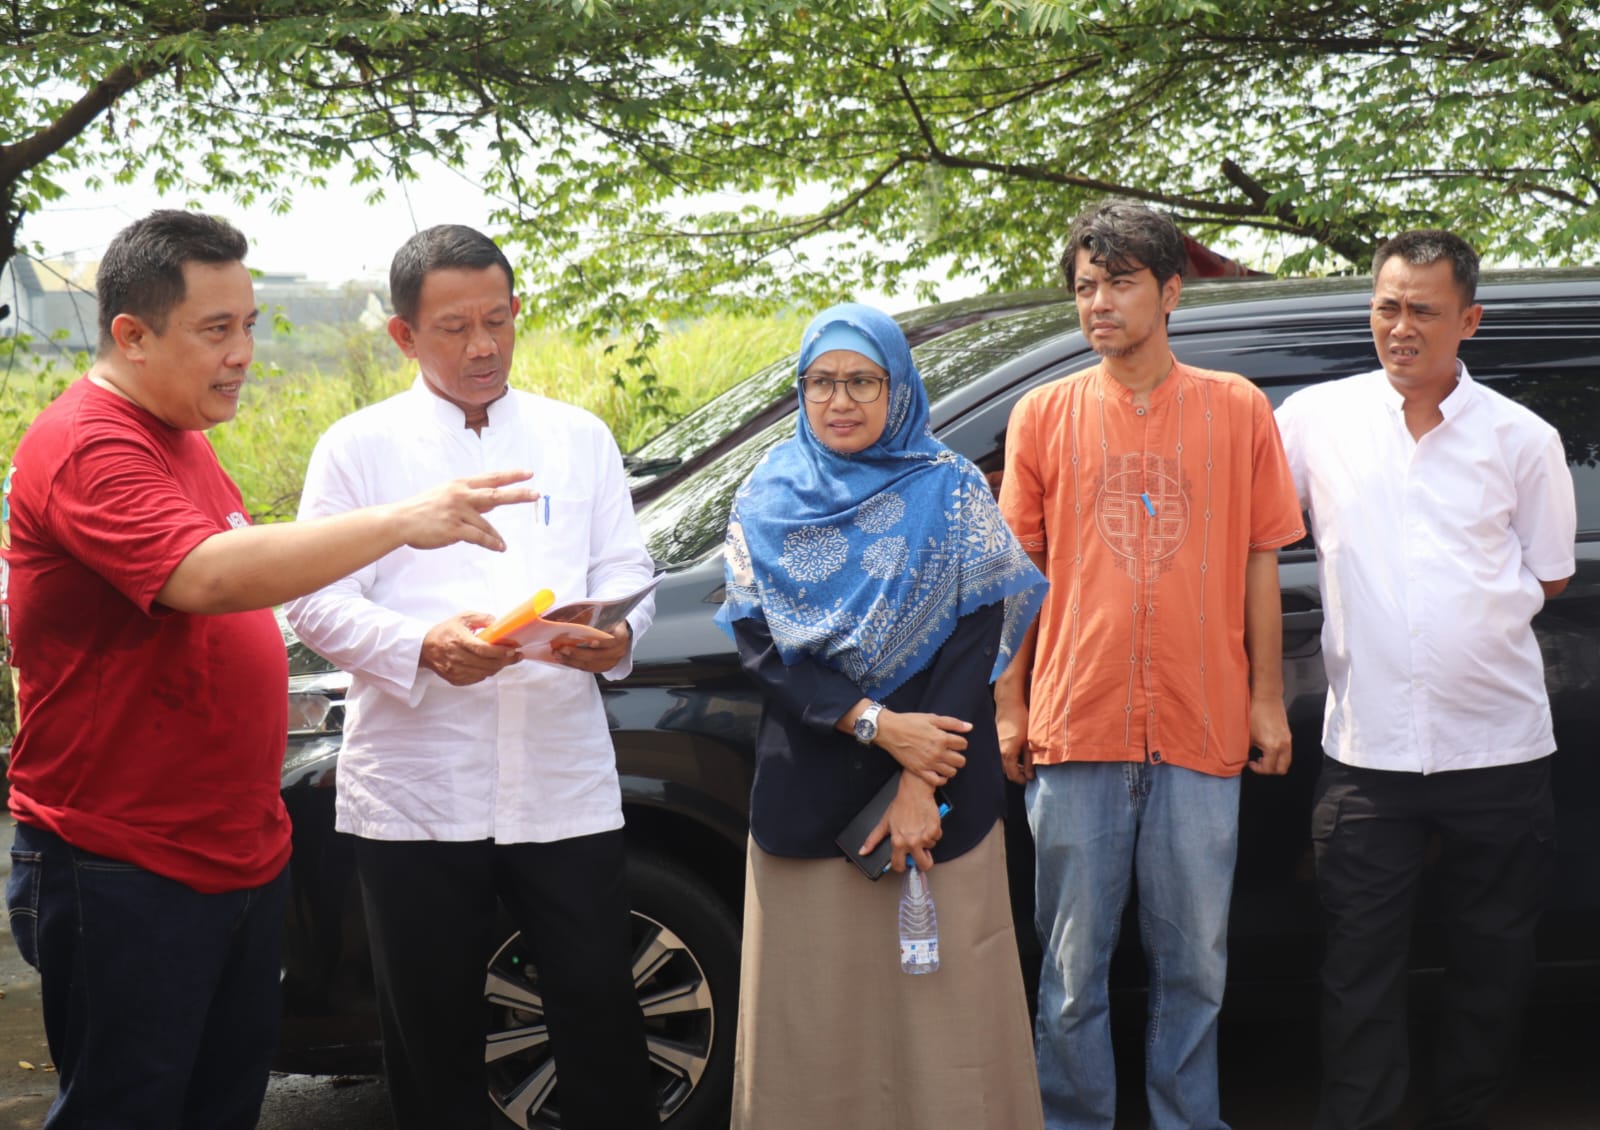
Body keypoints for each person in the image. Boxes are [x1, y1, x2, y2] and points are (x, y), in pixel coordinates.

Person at [0, 209, 536, 1130]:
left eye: (248, 324)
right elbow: (202, 576)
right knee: (126, 1109)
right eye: (217, 329)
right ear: (132, 335)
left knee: (220, 1106)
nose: (245, 351)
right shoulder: (93, 442)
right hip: (127, 861)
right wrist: (403, 520)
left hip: (229, 852)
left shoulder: (182, 435)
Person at [283, 224, 659, 1130]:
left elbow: (624, 574)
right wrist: (422, 646)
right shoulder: (357, 447)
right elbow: (312, 600)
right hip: (420, 782)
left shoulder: (577, 437)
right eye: (454, 327)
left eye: (498, 319)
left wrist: (615, 634)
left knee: (601, 1008)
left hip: (559, 772)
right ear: (404, 337)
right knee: (430, 1031)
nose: (483, 345)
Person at [995, 199, 1305, 1130]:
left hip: (1202, 726)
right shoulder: (1041, 416)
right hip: (1076, 725)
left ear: (1171, 293)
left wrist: (1266, 700)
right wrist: (1009, 703)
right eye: (1086, 286)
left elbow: (1262, 559)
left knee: (1194, 966)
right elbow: (1018, 579)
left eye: (1120, 282)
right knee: (1071, 969)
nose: (1099, 303)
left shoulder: (1237, 408)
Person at [716, 302, 1049, 1130]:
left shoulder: (952, 487)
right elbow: (759, 646)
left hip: (941, 800)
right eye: (822, 381)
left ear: (897, 387)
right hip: (810, 789)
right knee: (815, 1023)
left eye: (862, 380)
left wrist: (917, 778)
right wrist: (870, 720)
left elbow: (976, 640)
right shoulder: (766, 495)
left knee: (948, 1019)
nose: (841, 400)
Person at [1274, 230, 1575, 1130]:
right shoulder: (1314, 421)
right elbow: (1252, 525)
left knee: (1494, 961)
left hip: (1500, 747)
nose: (1400, 327)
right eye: (1387, 306)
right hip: (1367, 754)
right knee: (1356, 965)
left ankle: (1468, 1112)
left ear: (1468, 320)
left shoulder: (1524, 439)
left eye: (1423, 311)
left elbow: (1550, 572)